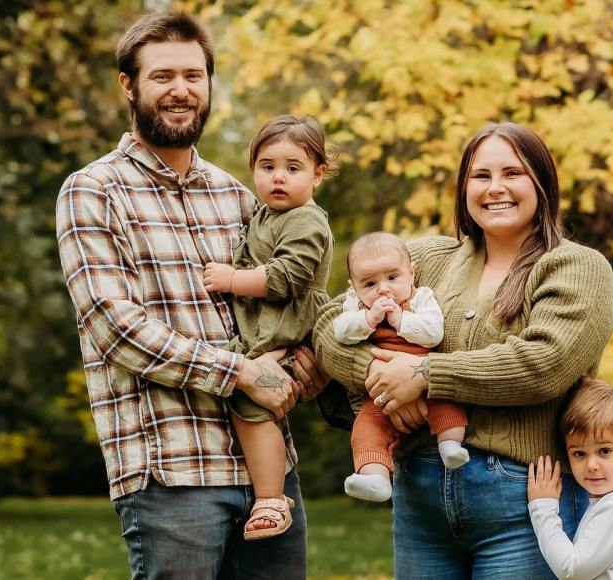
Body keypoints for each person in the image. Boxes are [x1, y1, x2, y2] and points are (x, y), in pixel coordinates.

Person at [55, 12, 326, 578]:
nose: (180, 89)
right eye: (162, 76)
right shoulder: (93, 190)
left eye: (193, 75)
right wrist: (242, 374)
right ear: (128, 85)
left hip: (269, 476)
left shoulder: (240, 195)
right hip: (173, 473)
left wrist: (302, 366)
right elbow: (115, 326)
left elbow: (288, 299)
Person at [314, 122, 613, 578]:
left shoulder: (576, 267)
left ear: (541, 182)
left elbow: (543, 364)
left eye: (512, 173)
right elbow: (327, 327)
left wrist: (424, 375)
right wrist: (385, 379)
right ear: (464, 188)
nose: (495, 188)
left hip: (525, 500)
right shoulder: (424, 260)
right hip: (421, 498)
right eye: (481, 176)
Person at [202, 114, 335, 540]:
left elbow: (285, 277)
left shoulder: (306, 220)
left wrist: (232, 279)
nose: (279, 177)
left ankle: (271, 499)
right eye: (267, 166)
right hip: (269, 331)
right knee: (248, 400)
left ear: (318, 174)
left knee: (253, 406)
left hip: (290, 327)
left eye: (293, 168)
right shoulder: (265, 213)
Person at [334, 232, 468, 503]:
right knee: (367, 427)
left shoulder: (421, 298)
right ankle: (376, 478)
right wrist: (368, 319)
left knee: (447, 404)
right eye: (369, 284)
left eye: (393, 278)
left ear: (411, 273)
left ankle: (451, 446)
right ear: (354, 287)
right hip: (380, 394)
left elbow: (434, 333)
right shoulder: (355, 305)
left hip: (427, 379)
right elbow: (339, 331)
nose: (383, 289)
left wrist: (400, 320)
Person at [527, 379, 613, 579]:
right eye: (579, 453)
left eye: (604, 451)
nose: (591, 465)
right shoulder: (610, 502)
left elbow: (572, 569)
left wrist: (543, 508)